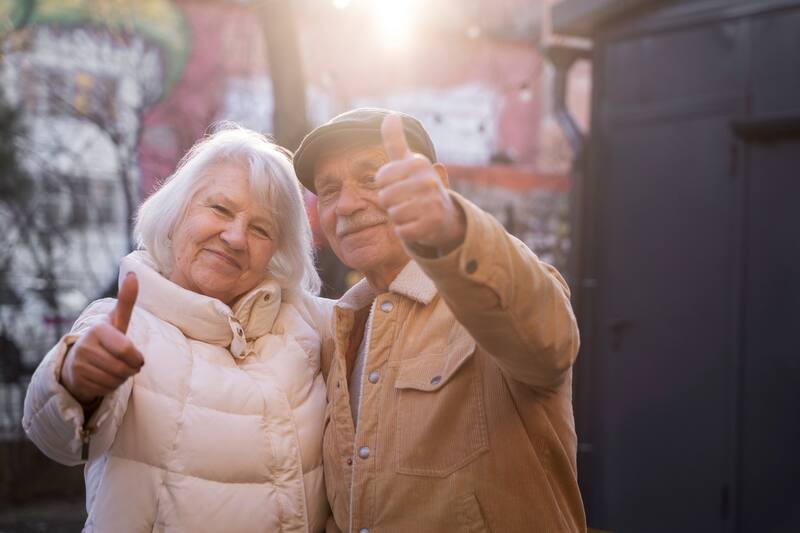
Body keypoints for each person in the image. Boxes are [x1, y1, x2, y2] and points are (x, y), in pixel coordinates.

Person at [23, 125, 332, 532]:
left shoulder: (307, 324)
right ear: (178, 210)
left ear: (278, 250)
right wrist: (75, 380)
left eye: (261, 229)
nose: (236, 237)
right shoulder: (123, 323)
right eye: (220, 209)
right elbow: (55, 437)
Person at [293, 108, 586, 532]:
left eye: (372, 178)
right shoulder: (337, 330)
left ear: (439, 184)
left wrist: (452, 230)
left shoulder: (487, 300)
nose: (347, 204)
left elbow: (549, 340)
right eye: (330, 189)